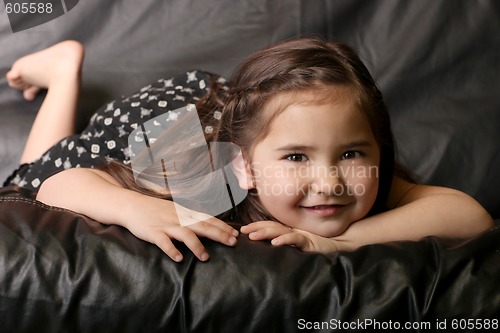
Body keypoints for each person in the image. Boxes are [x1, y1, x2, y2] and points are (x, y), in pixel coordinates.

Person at [4, 38, 493, 262]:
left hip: (252, 111)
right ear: (247, 170)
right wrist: (139, 209)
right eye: (297, 157)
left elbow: (466, 215)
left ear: (377, 151)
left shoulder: (367, 180)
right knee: (32, 172)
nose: (330, 182)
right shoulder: (207, 180)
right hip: (176, 123)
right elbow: (58, 183)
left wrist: (339, 242)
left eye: (351, 154)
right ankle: (64, 71)